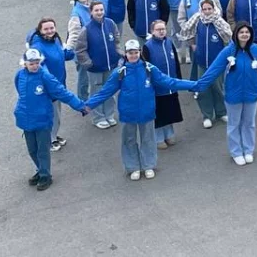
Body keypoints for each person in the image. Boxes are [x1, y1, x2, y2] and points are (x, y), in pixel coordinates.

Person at [84, 39, 200, 180]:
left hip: (147, 112)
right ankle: (133, 167)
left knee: (148, 139)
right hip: (128, 114)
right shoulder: (120, 73)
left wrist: (193, 85)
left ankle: (148, 165)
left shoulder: (149, 69)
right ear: (125, 54)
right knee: (129, 140)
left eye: (135, 52)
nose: (133, 55)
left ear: (140, 52)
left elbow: (170, 82)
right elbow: (105, 92)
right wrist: (88, 105)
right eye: (130, 53)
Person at [196, 25, 257, 164]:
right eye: (241, 32)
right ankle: (236, 152)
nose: (244, 34)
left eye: (247, 32)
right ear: (236, 34)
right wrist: (198, 85)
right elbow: (214, 70)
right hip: (233, 94)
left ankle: (248, 150)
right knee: (234, 124)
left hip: (251, 93)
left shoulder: (256, 49)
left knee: (249, 123)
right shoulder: (228, 51)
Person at [15, 49, 86, 191]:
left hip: (42, 120)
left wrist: (80, 106)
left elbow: (61, 92)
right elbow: (20, 91)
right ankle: (40, 169)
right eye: (31, 63)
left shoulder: (45, 76)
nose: (35, 66)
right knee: (32, 150)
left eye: (37, 63)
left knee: (42, 150)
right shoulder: (20, 75)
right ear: (25, 64)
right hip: (26, 120)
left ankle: (45, 175)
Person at [24, 18, 76, 151]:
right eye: (46, 29)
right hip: (48, 88)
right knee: (50, 115)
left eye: (52, 28)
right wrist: (52, 84)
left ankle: (53, 135)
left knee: (56, 114)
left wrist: (71, 50)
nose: (49, 31)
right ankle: (48, 141)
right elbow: (42, 69)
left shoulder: (55, 40)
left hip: (58, 84)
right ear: (40, 30)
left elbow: (62, 55)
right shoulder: (38, 47)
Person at [181, 0, 231, 129]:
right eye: (204, 9)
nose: (207, 11)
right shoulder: (197, 20)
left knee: (218, 88)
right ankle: (207, 116)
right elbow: (187, 32)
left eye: (209, 9)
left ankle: (221, 112)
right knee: (203, 89)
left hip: (217, 63)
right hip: (202, 62)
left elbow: (228, 38)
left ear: (214, 9)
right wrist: (193, 45)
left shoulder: (219, 22)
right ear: (201, 9)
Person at [69, 0, 121, 129]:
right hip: (95, 69)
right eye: (96, 10)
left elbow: (116, 40)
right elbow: (80, 50)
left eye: (101, 10)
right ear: (91, 12)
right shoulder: (86, 29)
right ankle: (98, 117)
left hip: (111, 65)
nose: (99, 12)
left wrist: (117, 54)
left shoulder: (110, 23)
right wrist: (89, 64)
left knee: (110, 91)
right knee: (97, 93)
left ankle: (109, 114)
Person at [142, 19, 183, 149]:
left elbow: (175, 62)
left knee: (170, 111)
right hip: (157, 88)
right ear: (152, 31)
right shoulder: (147, 47)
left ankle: (169, 134)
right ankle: (159, 137)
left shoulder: (169, 42)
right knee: (159, 114)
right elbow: (145, 69)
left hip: (170, 85)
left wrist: (178, 79)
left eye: (163, 29)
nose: (161, 32)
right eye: (158, 29)